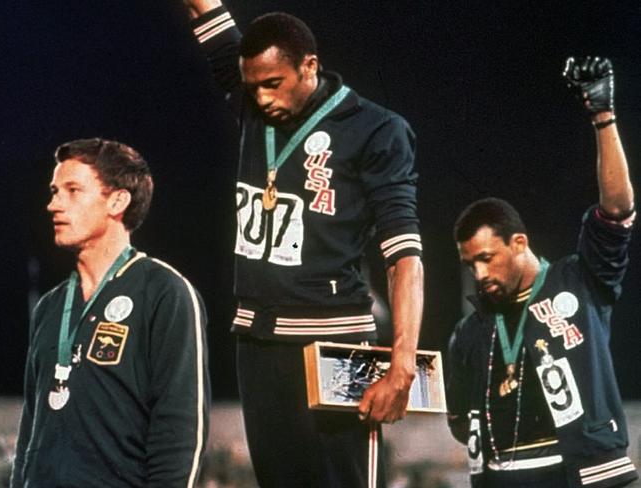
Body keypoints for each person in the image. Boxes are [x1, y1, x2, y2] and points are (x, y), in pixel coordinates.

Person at [181, 1, 424, 487]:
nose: (263, 97)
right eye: (253, 86)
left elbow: (403, 255)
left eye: (275, 83)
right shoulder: (251, 102)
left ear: (309, 66)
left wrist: (402, 364)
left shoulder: (375, 129)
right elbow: (202, 6)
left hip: (335, 340)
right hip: (257, 338)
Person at [446, 56, 638, 487]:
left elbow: (618, 210)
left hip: (586, 474)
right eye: (469, 264)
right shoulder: (469, 333)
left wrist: (603, 117)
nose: (479, 275)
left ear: (519, 243)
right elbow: (458, 421)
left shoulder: (580, 281)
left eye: (486, 258)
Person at [11, 139, 210, 488]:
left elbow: (180, 433)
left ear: (117, 201)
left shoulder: (165, 293)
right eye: (55, 191)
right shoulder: (50, 306)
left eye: (73, 191)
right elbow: (30, 427)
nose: (53, 205)